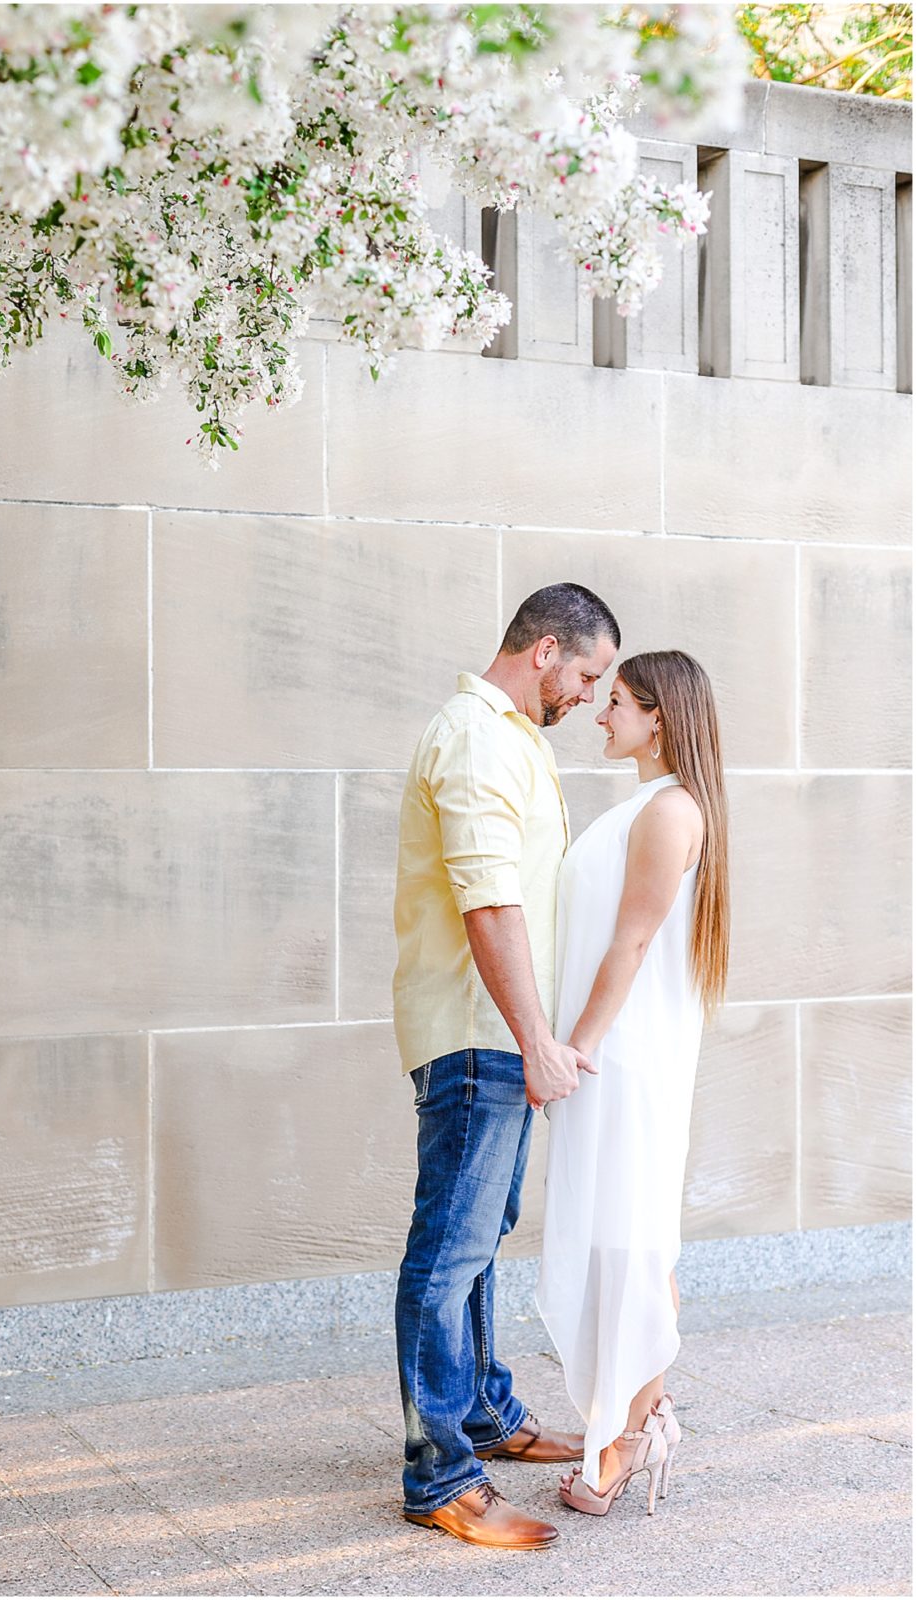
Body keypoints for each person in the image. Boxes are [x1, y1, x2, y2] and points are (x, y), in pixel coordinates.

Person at [392, 583, 621, 1551]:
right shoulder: (480, 735)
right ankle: (439, 1471)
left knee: (480, 1234)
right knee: (448, 1251)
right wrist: (533, 1038)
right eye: (587, 673)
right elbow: (490, 904)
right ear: (544, 652)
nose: (588, 695)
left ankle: (481, 1413)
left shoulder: (512, 735)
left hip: (500, 1032)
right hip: (479, 1032)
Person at [535, 650, 730, 1516]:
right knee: (623, 1233)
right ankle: (633, 1420)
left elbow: (634, 942)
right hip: (611, 1050)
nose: (598, 713)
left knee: (630, 1236)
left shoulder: (668, 811)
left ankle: (624, 1433)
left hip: (622, 1054)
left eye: (613, 702)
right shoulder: (649, 805)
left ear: (658, 716)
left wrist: (572, 1047)